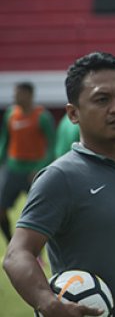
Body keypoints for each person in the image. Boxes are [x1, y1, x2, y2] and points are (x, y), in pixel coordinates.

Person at [2, 52, 115, 317]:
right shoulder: (59, 177)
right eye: (102, 99)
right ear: (73, 113)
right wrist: (48, 302)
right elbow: (16, 254)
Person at [0, 82, 55, 246]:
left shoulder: (42, 116)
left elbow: (51, 145)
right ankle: (12, 245)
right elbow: (5, 140)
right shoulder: (11, 114)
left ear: (29, 95)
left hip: (33, 172)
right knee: (1, 211)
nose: (14, 97)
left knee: (41, 214)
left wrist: (40, 168)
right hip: (13, 169)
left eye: (18, 93)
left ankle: (38, 251)